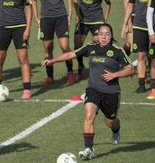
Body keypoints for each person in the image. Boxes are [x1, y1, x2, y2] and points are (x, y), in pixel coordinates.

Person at [41, 24, 133, 160]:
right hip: (93, 89)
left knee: (111, 121)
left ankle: (116, 130)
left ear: (111, 35)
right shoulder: (91, 48)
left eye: (107, 34)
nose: (103, 37)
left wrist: (115, 75)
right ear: (97, 35)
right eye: (101, 34)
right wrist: (52, 61)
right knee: (89, 115)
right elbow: (71, 54)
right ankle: (89, 149)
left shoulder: (117, 51)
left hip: (111, 92)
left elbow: (131, 69)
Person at [31, 0, 74, 85]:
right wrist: (36, 17)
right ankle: (50, 77)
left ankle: (70, 73)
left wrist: (70, 13)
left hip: (61, 17)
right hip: (46, 19)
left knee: (65, 46)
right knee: (47, 48)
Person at [72, 0, 111, 80]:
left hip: (97, 20)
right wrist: (78, 14)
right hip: (82, 20)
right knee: (77, 45)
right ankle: (80, 66)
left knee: (98, 42)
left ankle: (97, 68)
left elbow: (108, 3)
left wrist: (105, 20)